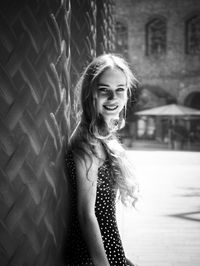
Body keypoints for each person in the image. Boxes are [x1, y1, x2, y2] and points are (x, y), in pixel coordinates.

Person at [65, 54, 139, 266]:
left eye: (120, 89)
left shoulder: (101, 137)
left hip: (109, 251)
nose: (113, 98)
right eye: (104, 89)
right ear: (91, 93)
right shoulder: (88, 144)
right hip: (93, 257)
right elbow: (86, 214)